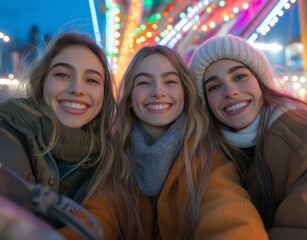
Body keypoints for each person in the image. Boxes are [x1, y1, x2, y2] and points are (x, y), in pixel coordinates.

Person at [60, 45, 268, 240]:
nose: (158, 92)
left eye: (170, 81)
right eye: (144, 83)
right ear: (130, 98)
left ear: (185, 94)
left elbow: (228, 213)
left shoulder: (208, 156)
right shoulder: (115, 158)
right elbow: (96, 218)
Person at [190, 34, 307, 239]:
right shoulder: (214, 151)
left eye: (240, 77)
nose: (230, 92)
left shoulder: (306, 135)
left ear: (261, 81)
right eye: (214, 87)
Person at [0, 32, 116, 204]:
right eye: (62, 75)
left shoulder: (108, 157)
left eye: (92, 80)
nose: (77, 89)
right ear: (41, 82)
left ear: (104, 95)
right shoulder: (7, 135)